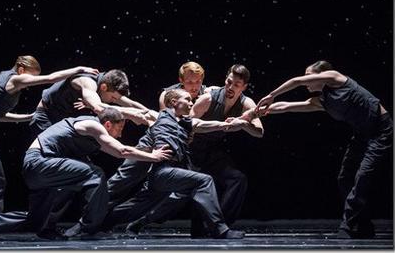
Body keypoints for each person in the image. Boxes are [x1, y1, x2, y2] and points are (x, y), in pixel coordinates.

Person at [0, 55, 98, 222]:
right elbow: (50, 78)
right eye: (30, 76)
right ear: (21, 70)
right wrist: (79, 70)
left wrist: (27, 117)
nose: (30, 81)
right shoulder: (15, 79)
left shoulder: (1, 77)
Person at [0, 107, 172, 241]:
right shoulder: (93, 125)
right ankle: (88, 228)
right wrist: (154, 157)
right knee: (95, 174)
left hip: (40, 169)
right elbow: (122, 151)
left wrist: (145, 149)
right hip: (40, 162)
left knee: (36, 220)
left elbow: (118, 151)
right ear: (108, 124)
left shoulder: (92, 132)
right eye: (119, 129)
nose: (120, 134)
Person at [254, 60, 392, 239]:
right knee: (345, 177)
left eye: (309, 76)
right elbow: (286, 106)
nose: (306, 81)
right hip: (361, 135)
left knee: (362, 177)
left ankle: (348, 226)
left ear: (322, 75)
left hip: (381, 130)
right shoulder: (321, 100)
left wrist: (272, 94)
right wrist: (257, 111)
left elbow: (296, 81)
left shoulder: (336, 78)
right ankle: (363, 224)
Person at [102, 89, 249, 239]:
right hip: (163, 170)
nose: (192, 103)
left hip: (169, 174)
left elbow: (212, 125)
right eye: (187, 100)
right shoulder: (158, 116)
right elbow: (130, 111)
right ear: (174, 102)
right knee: (204, 181)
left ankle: (101, 224)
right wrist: (98, 106)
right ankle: (220, 230)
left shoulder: (187, 123)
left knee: (138, 205)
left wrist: (234, 123)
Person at [107, 61, 213, 209]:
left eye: (198, 81)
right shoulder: (169, 95)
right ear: (181, 81)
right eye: (189, 82)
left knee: (160, 192)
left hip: (181, 150)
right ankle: (92, 212)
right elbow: (165, 127)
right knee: (125, 177)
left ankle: (123, 221)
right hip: (156, 143)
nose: (194, 86)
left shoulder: (207, 93)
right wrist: (156, 158)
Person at [29, 68, 155, 139]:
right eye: (112, 98)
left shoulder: (106, 86)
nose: (113, 101)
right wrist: (132, 115)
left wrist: (158, 116)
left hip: (62, 119)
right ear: (104, 87)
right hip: (46, 118)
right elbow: (99, 108)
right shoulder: (87, 82)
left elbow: (131, 104)